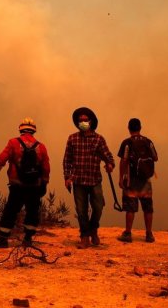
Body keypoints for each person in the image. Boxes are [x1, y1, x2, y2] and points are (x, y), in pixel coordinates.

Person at [0, 117, 50, 248]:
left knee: (11, 211)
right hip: (35, 186)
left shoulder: (13, 143)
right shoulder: (41, 146)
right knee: (32, 211)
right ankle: (27, 239)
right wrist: (44, 183)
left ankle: (3, 239)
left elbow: (2, 158)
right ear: (34, 130)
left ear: (20, 129)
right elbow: (46, 167)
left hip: (17, 185)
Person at [63, 107, 115, 249]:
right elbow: (67, 160)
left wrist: (110, 164)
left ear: (91, 121)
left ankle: (93, 229)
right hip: (78, 180)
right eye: (80, 121)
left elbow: (109, 157)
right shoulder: (72, 138)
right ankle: (84, 236)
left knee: (98, 207)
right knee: (81, 211)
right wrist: (67, 177)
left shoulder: (99, 139)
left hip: (94, 180)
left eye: (85, 120)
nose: (83, 122)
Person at [117, 118, 159, 243]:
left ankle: (128, 233)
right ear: (140, 127)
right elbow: (155, 158)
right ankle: (149, 234)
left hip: (131, 179)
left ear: (128, 128)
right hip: (146, 180)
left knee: (130, 208)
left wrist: (121, 178)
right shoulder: (148, 141)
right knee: (148, 207)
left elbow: (123, 161)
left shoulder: (127, 143)